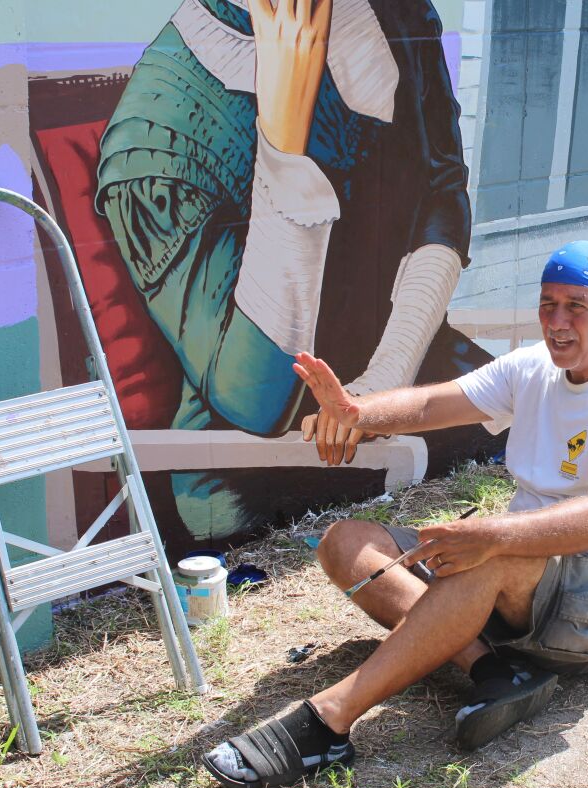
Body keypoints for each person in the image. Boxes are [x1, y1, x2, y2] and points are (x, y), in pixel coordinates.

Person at [200, 240, 588, 788]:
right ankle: (492, 670)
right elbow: (435, 405)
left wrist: (489, 536)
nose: (557, 322)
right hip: (520, 586)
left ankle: (326, 722)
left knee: (488, 554)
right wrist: (358, 413)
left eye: (576, 306)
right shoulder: (534, 369)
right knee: (346, 543)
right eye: (547, 305)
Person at [95, 0, 491, 543]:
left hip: (412, 369)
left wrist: (385, 381)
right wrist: (281, 146)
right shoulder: (155, 130)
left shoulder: (401, 12)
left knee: (540, 430)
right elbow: (250, 401)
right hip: (260, 455)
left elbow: (442, 189)